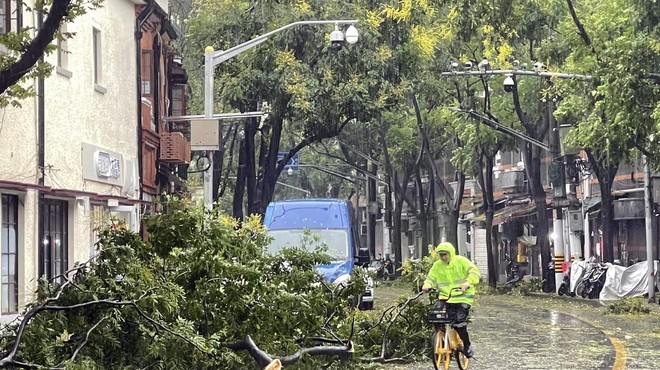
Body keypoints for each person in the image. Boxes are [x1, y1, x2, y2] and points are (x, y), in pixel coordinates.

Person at [422, 242, 481, 358]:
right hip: (446, 297)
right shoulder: (437, 266)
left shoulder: (461, 261)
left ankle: (466, 344)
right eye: (441, 255)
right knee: (436, 316)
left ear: (451, 253)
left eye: (445, 254)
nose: (444, 257)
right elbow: (430, 278)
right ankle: (442, 338)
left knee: (459, 321)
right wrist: (427, 285)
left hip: (463, 296)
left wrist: (468, 282)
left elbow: (475, 272)